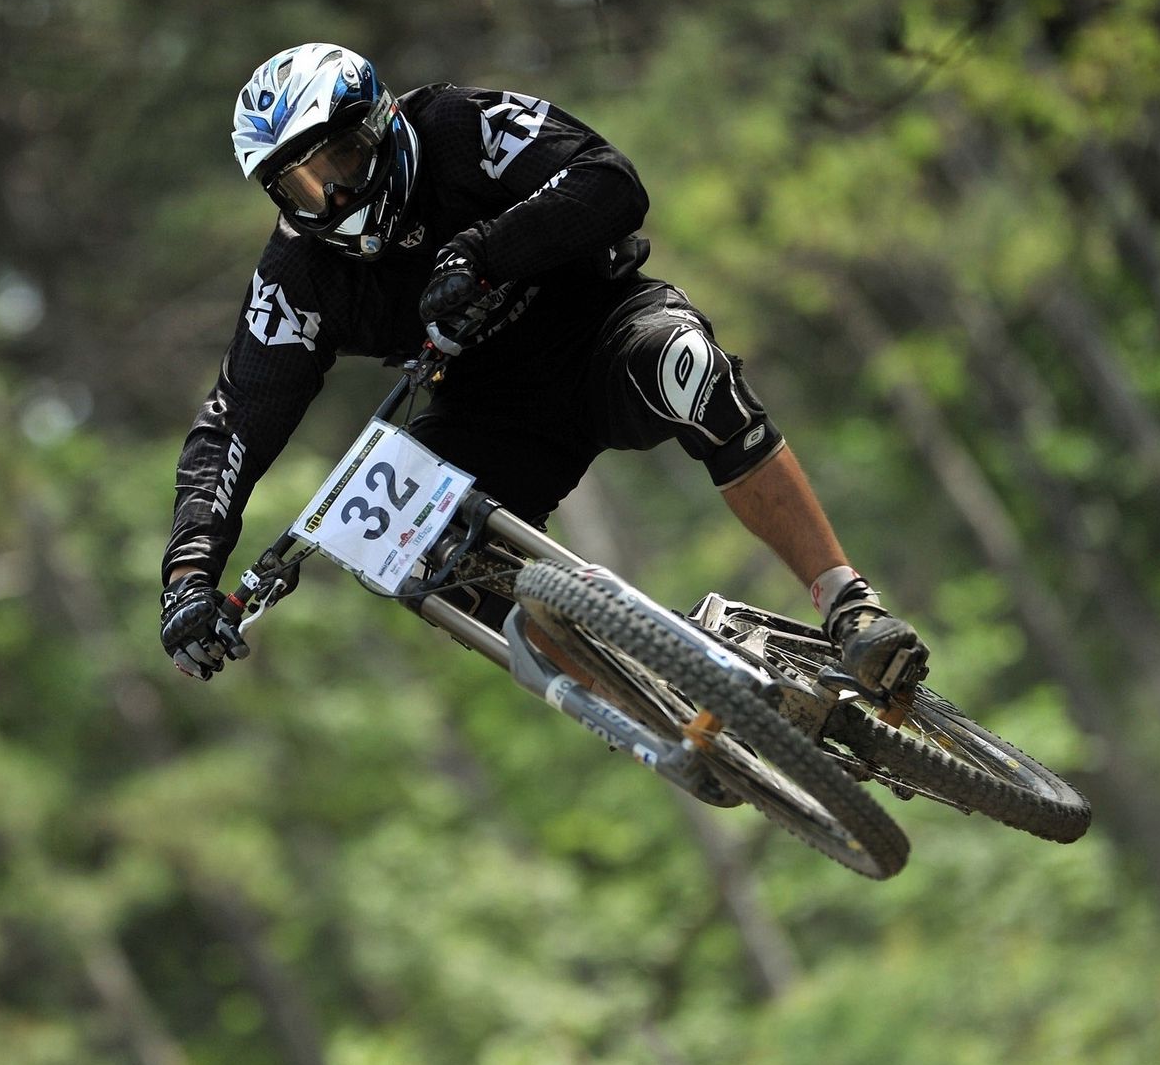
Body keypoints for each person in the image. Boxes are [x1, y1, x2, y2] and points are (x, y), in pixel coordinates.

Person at [159, 42, 927, 693]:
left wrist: (487, 252)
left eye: (345, 158)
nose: (336, 195)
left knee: (688, 369)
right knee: (410, 548)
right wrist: (190, 578)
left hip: (600, 329)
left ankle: (847, 603)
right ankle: (657, 712)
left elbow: (609, 180)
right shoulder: (297, 275)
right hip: (488, 407)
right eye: (304, 185)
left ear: (384, 123)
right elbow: (233, 424)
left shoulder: (460, 125)